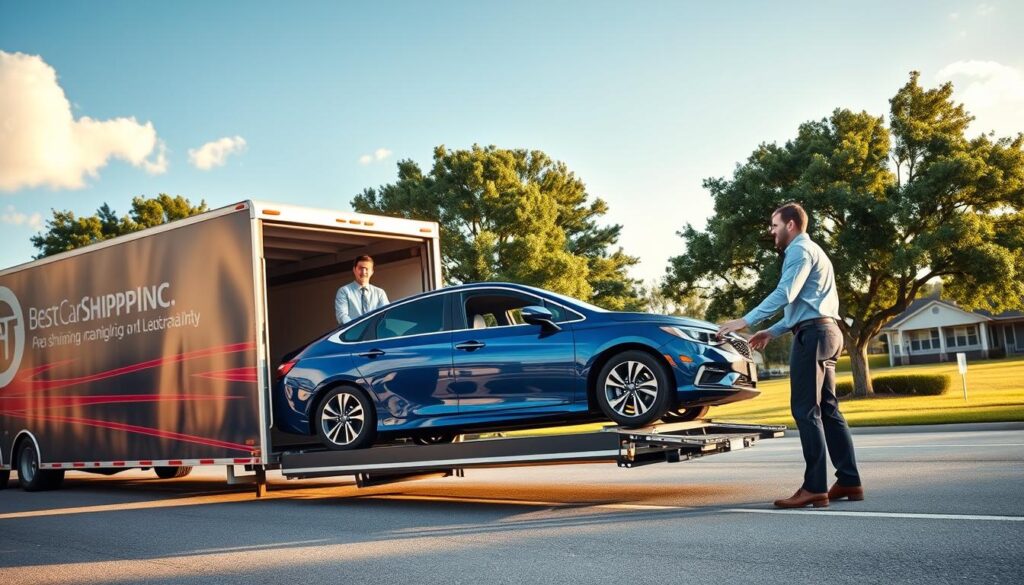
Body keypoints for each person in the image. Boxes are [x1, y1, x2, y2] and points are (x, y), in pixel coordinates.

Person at [717, 202, 863, 509]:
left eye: (775, 225)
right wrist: (772, 331)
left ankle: (814, 488)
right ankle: (849, 480)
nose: (772, 231)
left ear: (791, 225)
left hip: (813, 336)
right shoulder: (815, 251)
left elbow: (786, 293)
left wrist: (745, 320)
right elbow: (807, 304)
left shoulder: (798, 251)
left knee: (806, 410)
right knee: (828, 409)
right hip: (827, 331)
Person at [335, 255, 389, 325]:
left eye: (367, 269)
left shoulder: (380, 293)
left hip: (374, 331)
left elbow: (385, 315)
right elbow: (342, 316)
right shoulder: (344, 291)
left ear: (372, 272)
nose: (363, 272)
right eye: (360, 268)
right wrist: (358, 328)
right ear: (354, 270)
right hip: (353, 331)